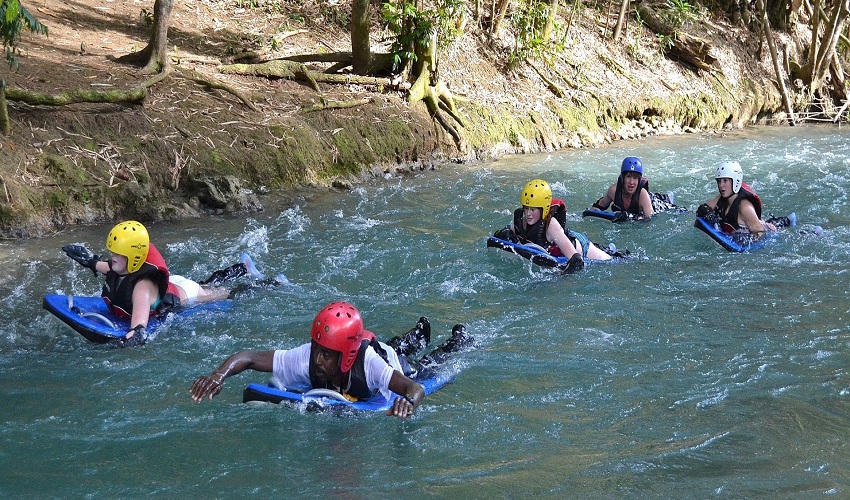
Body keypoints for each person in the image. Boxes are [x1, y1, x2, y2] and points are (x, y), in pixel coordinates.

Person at [189, 301, 472, 419]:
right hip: (371, 348)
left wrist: (407, 402)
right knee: (397, 346)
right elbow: (248, 358)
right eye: (317, 349)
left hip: (389, 362)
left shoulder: (369, 364)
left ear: (346, 356)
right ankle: (417, 334)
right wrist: (218, 375)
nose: (318, 360)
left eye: (326, 354)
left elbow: (415, 388)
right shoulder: (306, 358)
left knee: (423, 365)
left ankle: (457, 341)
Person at [63, 220, 263, 347]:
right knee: (207, 284)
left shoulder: (141, 289)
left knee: (222, 293)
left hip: (187, 294)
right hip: (173, 285)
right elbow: (103, 265)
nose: (112, 257)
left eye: (118, 254)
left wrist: (128, 340)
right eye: (112, 252)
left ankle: (270, 283)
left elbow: (139, 327)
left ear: (133, 257)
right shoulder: (119, 267)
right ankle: (242, 268)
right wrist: (89, 260)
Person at [494, 179, 614, 272]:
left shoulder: (551, 225)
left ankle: (612, 251)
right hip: (560, 240)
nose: (528, 214)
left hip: (580, 246)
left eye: (533, 210)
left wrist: (561, 275)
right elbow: (504, 234)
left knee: (611, 261)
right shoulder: (521, 221)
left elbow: (577, 260)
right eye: (526, 208)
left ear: (544, 209)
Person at [696, 161, 778, 239]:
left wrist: (744, 241)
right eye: (719, 181)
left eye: (725, 180)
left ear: (736, 181)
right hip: (735, 231)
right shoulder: (721, 197)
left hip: (757, 228)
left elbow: (760, 233)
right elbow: (704, 208)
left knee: (774, 224)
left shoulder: (745, 207)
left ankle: (783, 221)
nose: (721, 185)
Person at [589, 156, 655, 221]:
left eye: (635, 178)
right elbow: (600, 206)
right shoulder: (614, 191)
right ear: (623, 178)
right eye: (628, 177)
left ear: (639, 180)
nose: (631, 182)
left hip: (658, 203)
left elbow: (649, 219)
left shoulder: (642, 195)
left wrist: (630, 216)